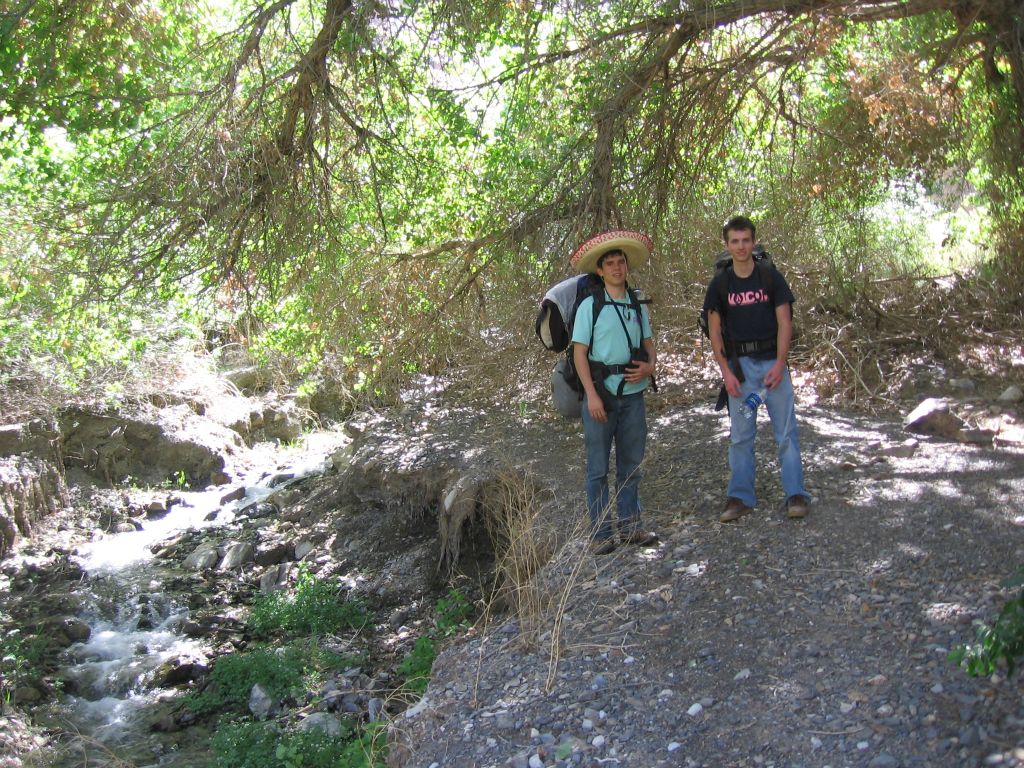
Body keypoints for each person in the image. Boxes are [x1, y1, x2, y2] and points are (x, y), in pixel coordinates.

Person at [703, 215, 810, 522]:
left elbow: (784, 321)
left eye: (746, 240)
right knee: (741, 435)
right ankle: (740, 497)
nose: (740, 246)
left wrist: (780, 363)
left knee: (786, 432)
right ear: (727, 245)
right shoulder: (721, 284)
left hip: (772, 366)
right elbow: (714, 330)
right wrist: (725, 371)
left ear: (753, 242)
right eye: (734, 241)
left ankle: (796, 494)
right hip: (740, 369)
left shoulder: (770, 277)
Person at [570, 230, 659, 554]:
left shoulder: (637, 303)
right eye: (610, 264)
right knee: (597, 469)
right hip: (602, 397)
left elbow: (649, 345)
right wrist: (591, 395)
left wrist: (649, 367)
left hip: (634, 395)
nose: (617, 268)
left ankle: (632, 527)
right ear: (600, 270)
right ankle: (601, 533)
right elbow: (579, 352)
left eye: (621, 262)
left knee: (630, 465)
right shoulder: (590, 306)